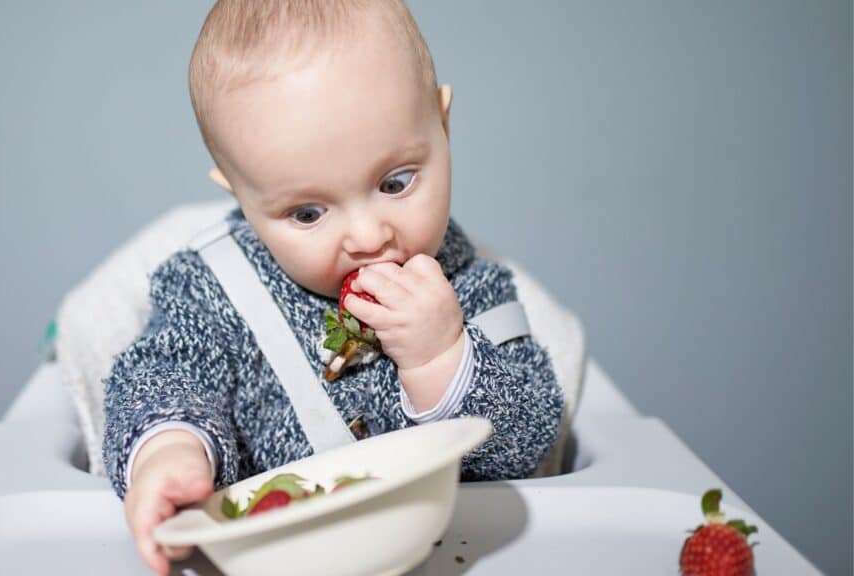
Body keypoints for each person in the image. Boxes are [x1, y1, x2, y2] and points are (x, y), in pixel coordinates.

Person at [103, 1, 564, 573]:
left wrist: (443, 356)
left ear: (443, 127)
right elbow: (160, 374)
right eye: (308, 214)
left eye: (395, 182)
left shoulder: (471, 287)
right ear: (242, 199)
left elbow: (531, 442)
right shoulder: (214, 290)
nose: (369, 236)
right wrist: (169, 452)